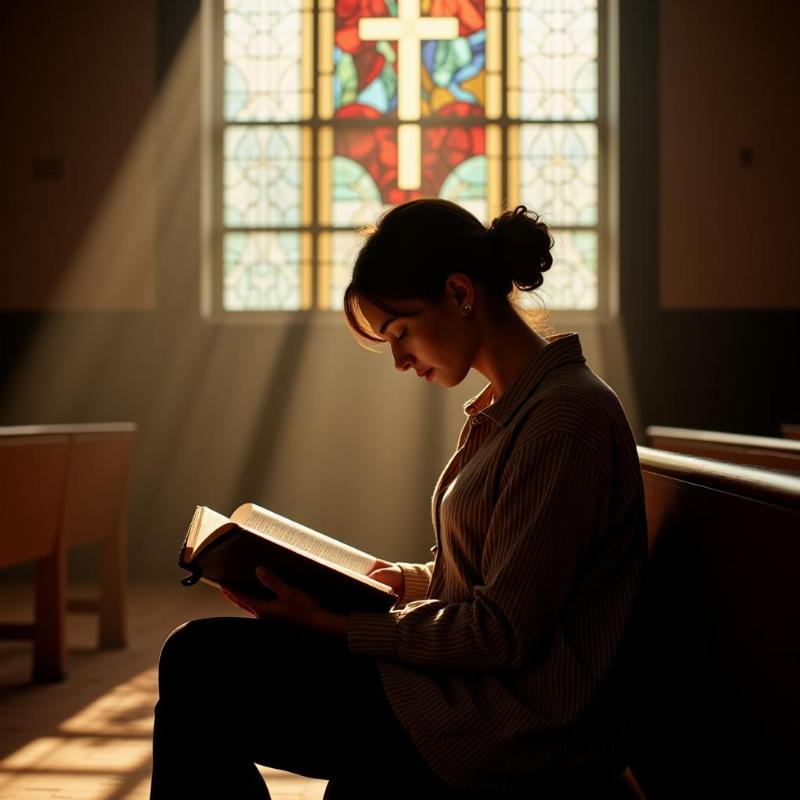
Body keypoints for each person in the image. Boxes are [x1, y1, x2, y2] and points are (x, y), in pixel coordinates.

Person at [150, 199, 647, 799]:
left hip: (510, 725)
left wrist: (343, 622)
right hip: (470, 692)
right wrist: (405, 582)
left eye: (401, 331)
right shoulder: (516, 406)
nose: (399, 358)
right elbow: (514, 574)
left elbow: (503, 633)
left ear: (461, 295)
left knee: (200, 667)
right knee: (202, 663)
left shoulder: (562, 420)